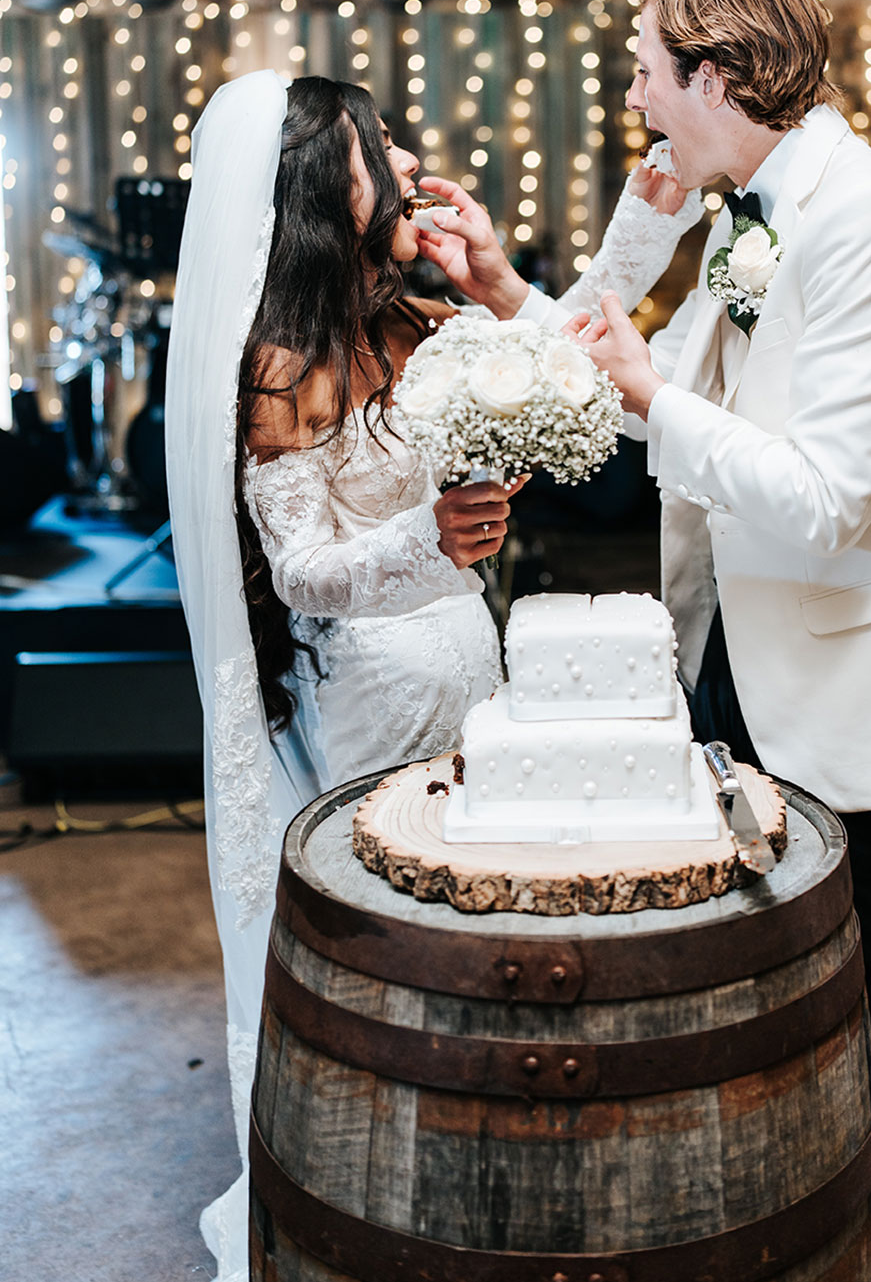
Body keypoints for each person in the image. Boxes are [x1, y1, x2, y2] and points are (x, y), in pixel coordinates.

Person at [435, 0, 871, 1282]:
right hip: (740, 684)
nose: (639, 102)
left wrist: (650, 396)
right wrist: (505, 293)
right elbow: (666, 381)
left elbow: (820, 495)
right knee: (783, 1044)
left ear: (712, 73)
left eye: (648, 74)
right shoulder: (757, 214)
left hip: (855, 711)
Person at [164, 69, 701, 1281]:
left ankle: (492, 1160)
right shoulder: (283, 361)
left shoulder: (410, 318)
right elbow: (302, 568)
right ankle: (405, 1177)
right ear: (326, 181)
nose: (408, 158)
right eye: (381, 143)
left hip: (471, 659)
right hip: (372, 696)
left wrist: (596, 237)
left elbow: (567, 358)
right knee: (408, 939)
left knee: (485, 925)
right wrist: (428, 540)